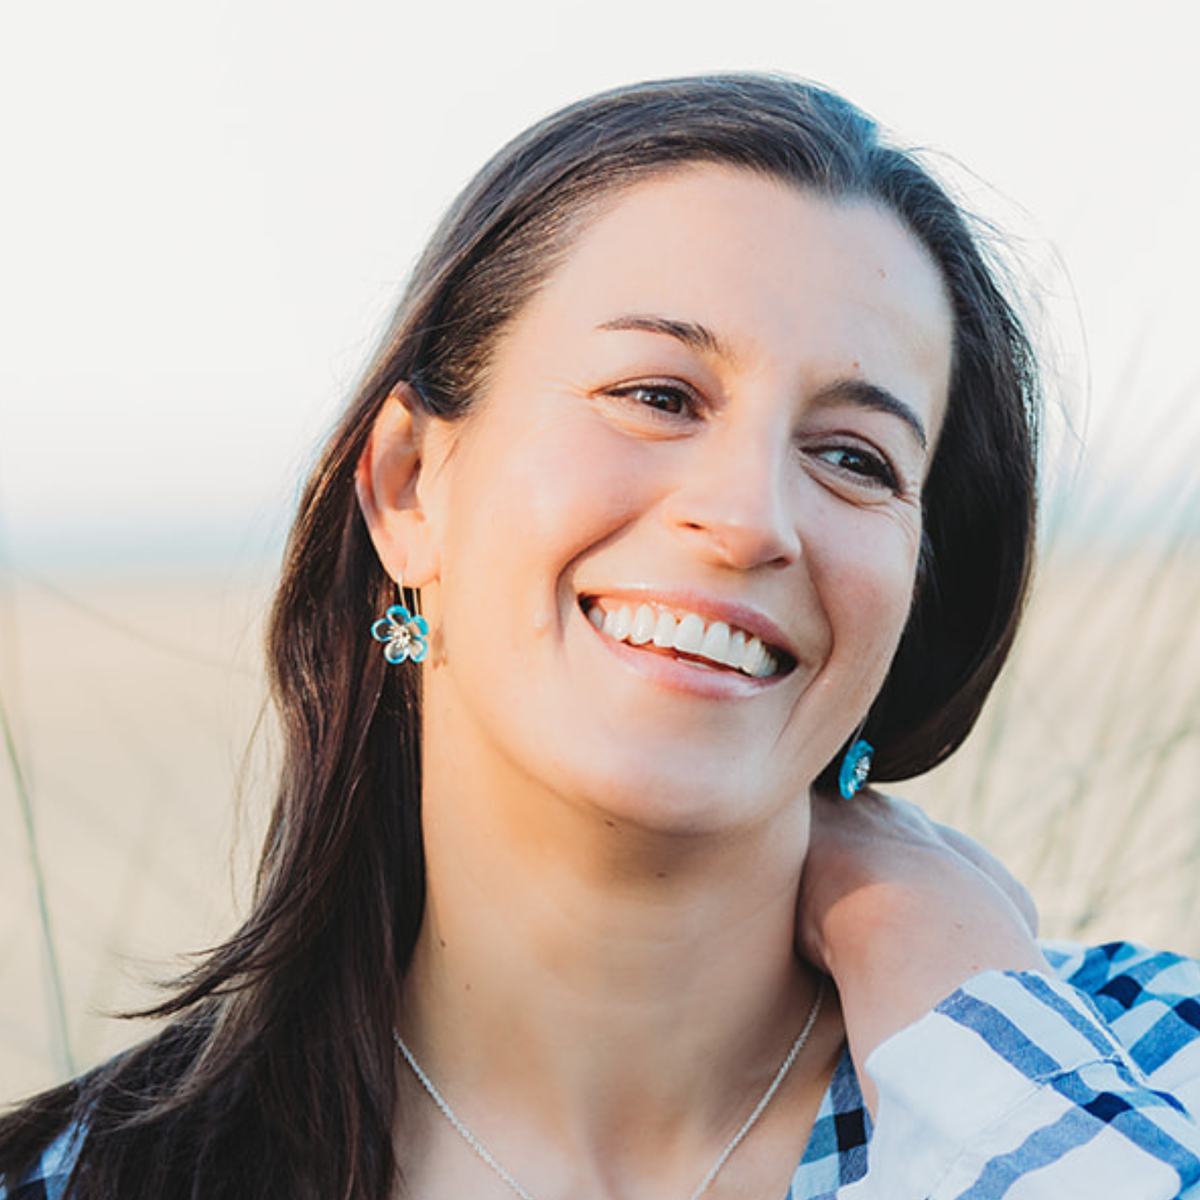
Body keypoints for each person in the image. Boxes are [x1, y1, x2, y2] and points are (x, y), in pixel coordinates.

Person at [3, 72, 1199, 1200]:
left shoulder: (1152, 1074)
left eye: (853, 458)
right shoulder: (78, 1181)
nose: (745, 521)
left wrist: (955, 996)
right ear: (412, 486)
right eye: (657, 395)